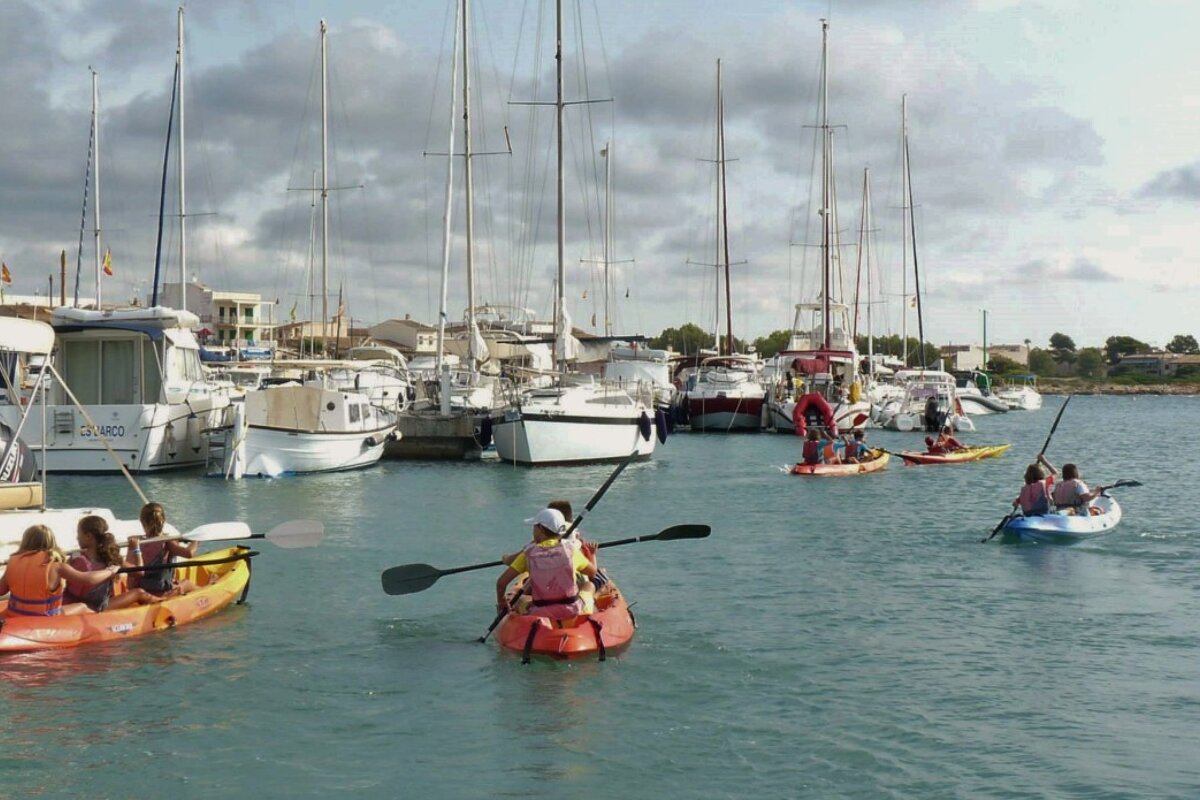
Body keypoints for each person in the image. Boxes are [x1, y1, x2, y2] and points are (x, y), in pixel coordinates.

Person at [496, 508, 597, 621]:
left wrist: (501, 601)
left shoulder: (528, 553)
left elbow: (501, 583)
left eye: (534, 526)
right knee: (590, 586)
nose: (533, 530)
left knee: (519, 599)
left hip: (541, 612)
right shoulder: (571, 550)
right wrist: (592, 555)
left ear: (540, 529)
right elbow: (592, 572)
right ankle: (589, 614)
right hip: (572, 610)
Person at [0, 525, 119, 616]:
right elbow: (89, 579)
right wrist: (110, 571)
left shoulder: (13, 561)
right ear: (51, 542)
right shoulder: (57, 566)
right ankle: (101, 620)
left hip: (15, 613)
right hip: (44, 617)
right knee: (82, 606)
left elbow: (1, 590)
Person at [65, 516, 158, 612]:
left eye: (79, 534)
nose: (77, 537)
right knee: (139, 592)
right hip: (97, 608)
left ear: (89, 536)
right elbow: (140, 572)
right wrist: (136, 549)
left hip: (82, 606)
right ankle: (165, 602)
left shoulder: (75, 558)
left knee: (138, 592)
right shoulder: (111, 558)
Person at [126, 502, 198, 597]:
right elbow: (189, 553)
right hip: (160, 592)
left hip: (139, 590)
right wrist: (197, 539)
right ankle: (209, 589)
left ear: (142, 522)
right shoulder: (167, 542)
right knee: (187, 583)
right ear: (163, 520)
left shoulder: (135, 541)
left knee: (179, 582)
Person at [547, 498, 609, 590]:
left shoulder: (539, 548)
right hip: (575, 585)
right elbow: (592, 572)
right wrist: (592, 554)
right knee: (601, 575)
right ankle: (595, 595)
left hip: (552, 584)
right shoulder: (576, 549)